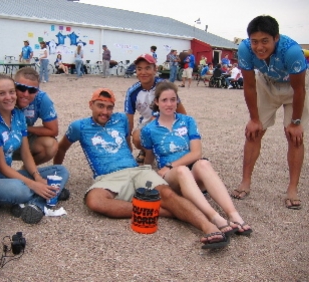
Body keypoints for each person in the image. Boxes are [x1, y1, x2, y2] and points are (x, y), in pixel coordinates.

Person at [54, 88, 233, 249]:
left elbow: (127, 142)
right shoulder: (79, 126)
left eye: (109, 107)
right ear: (91, 105)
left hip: (135, 170)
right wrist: (57, 176)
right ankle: (166, 212)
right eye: (100, 106)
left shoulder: (121, 119)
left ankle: (208, 226)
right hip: (106, 177)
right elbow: (61, 148)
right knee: (94, 201)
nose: (105, 112)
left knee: (167, 194)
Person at [140, 81, 252, 236]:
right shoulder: (148, 130)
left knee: (203, 163)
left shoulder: (187, 121)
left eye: (173, 99)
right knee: (181, 171)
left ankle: (233, 214)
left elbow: (196, 153)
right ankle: (215, 217)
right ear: (156, 102)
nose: (169, 104)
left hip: (185, 170)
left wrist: (171, 165)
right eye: (164, 100)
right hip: (172, 178)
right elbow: (149, 158)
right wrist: (145, 175)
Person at [232, 15, 308, 210]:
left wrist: (296, 122)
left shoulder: (292, 51)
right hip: (267, 82)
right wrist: (254, 119)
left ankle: (292, 188)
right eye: (255, 41)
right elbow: (249, 85)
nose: (259, 47)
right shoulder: (244, 49)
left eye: (265, 41)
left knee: (294, 137)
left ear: (276, 37)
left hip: (293, 87)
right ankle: (245, 181)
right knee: (253, 132)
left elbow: (300, 89)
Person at [0, 75, 69, 224]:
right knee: (20, 189)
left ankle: (34, 204)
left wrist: (36, 177)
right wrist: (33, 184)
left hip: (7, 176)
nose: (9, 97)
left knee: (61, 171)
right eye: (2, 93)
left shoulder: (18, 116)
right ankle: (47, 197)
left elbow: (25, 153)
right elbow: (2, 166)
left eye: (11, 92)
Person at [124, 54, 187, 164]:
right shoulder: (132, 92)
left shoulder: (165, 86)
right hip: (147, 123)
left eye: (147, 68)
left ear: (155, 69)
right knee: (137, 138)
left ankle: (170, 151)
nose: (143, 72)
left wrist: (186, 131)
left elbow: (181, 110)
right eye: (139, 69)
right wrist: (128, 143)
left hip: (168, 121)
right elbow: (129, 117)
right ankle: (146, 151)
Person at [13, 67, 59, 165]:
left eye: (32, 90)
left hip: (23, 138)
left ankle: (25, 173)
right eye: (21, 88)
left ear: (37, 91)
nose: (26, 94)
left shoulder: (41, 99)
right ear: (14, 86)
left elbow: (53, 130)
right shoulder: (5, 95)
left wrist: (25, 128)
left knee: (51, 145)